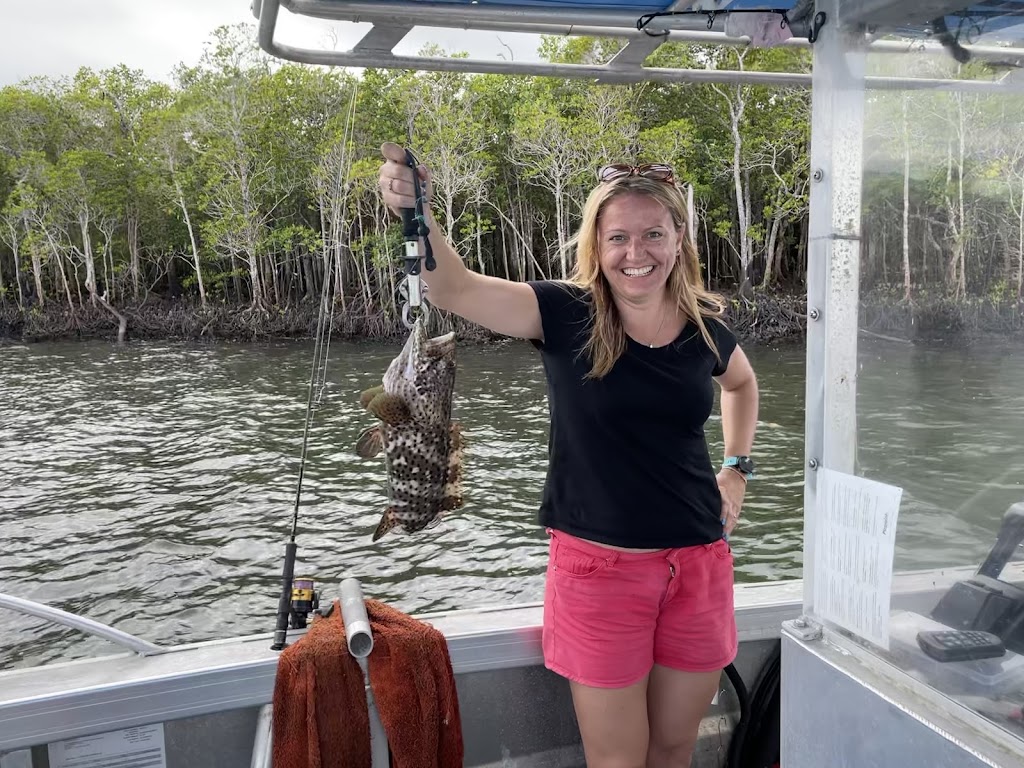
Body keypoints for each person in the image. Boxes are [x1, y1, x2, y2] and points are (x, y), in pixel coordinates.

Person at [378, 142, 759, 768]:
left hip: (699, 569)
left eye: (653, 234)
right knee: (618, 760)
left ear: (678, 238)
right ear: (597, 243)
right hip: (599, 577)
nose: (636, 254)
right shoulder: (560, 312)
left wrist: (736, 470)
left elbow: (742, 385)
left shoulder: (704, 329)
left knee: (675, 748)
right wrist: (416, 209)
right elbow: (451, 287)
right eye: (618, 238)